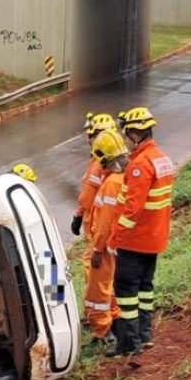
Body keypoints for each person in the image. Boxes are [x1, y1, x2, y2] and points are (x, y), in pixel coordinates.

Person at [106, 107, 174, 357]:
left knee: (125, 291)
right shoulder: (161, 159)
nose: (125, 140)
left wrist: (115, 239)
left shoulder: (140, 166)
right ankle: (145, 335)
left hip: (135, 240)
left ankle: (128, 343)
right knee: (145, 287)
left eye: (127, 135)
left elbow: (132, 209)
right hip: (155, 238)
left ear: (136, 135)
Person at [85, 129, 129, 349]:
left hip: (105, 247)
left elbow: (105, 222)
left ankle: (102, 333)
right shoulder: (123, 178)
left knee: (97, 292)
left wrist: (97, 249)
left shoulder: (112, 183)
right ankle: (114, 324)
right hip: (117, 246)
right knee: (110, 289)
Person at [71, 113, 116, 289]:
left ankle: (100, 311)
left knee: (94, 267)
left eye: (93, 136)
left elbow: (89, 194)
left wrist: (80, 213)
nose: (90, 140)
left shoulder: (100, 164)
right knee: (108, 269)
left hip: (98, 225)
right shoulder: (101, 161)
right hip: (98, 223)